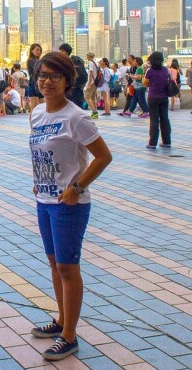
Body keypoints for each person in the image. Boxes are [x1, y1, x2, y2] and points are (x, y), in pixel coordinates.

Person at [28, 52, 112, 361]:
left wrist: (77, 187)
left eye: (54, 76)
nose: (47, 82)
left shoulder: (76, 117)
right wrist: (41, 179)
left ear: (67, 81)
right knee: (53, 262)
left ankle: (69, 336)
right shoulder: (37, 113)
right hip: (44, 200)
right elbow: (42, 152)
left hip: (69, 205)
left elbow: (104, 157)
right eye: (42, 76)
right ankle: (61, 320)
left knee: (67, 266)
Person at [26, 44, 44, 113]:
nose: (38, 51)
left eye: (40, 50)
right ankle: (33, 123)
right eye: (37, 50)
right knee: (34, 109)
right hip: (34, 84)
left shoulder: (38, 60)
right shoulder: (31, 60)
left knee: (43, 106)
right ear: (32, 50)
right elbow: (37, 71)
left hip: (39, 83)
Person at [84, 52, 99, 119]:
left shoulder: (90, 62)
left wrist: (89, 84)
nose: (86, 56)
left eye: (87, 55)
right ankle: (95, 113)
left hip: (92, 82)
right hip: (96, 82)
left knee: (86, 97)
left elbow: (90, 73)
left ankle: (94, 111)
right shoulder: (95, 62)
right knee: (92, 98)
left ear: (89, 56)